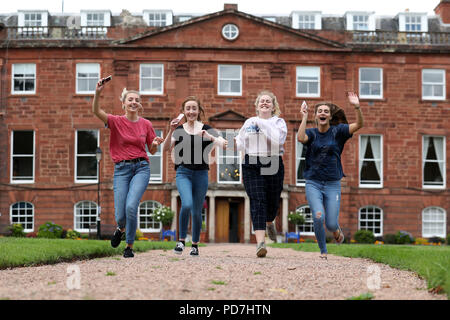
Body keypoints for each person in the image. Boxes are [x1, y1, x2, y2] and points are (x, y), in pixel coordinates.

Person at [92, 76, 163, 258]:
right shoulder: (116, 121)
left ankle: (129, 246)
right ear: (123, 104)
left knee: (132, 206)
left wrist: (155, 143)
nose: (133, 102)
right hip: (122, 170)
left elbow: (152, 151)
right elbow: (96, 111)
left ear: (139, 105)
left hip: (141, 168)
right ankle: (120, 227)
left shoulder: (146, 124)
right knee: (120, 214)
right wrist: (97, 93)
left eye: (136, 100)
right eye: (130, 99)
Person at [297, 92, 363, 260]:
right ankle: (323, 250)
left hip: (333, 183)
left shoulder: (338, 131)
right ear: (316, 116)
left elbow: (359, 125)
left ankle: (335, 230)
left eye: (326, 111)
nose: (323, 113)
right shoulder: (311, 133)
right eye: (320, 111)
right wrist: (304, 117)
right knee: (318, 216)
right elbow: (300, 137)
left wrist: (356, 107)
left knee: (331, 223)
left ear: (330, 116)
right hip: (313, 182)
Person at [162, 96, 227, 256]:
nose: (191, 111)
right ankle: (181, 241)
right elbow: (165, 148)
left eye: (194, 108)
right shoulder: (178, 129)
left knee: (197, 211)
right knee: (187, 204)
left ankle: (195, 245)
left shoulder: (206, 128)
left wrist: (210, 137)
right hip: (183, 172)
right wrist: (171, 130)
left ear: (199, 111)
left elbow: (224, 144)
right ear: (183, 111)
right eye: (188, 108)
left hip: (201, 174)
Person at [235, 91, 287, 258]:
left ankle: (270, 221)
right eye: (261, 101)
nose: (264, 103)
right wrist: (225, 142)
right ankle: (260, 243)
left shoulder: (278, 122)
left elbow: (278, 141)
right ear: (257, 105)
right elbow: (240, 142)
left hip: (273, 161)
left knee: (272, 200)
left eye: (268, 101)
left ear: (273, 106)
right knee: (257, 201)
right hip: (251, 163)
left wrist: (263, 128)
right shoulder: (250, 122)